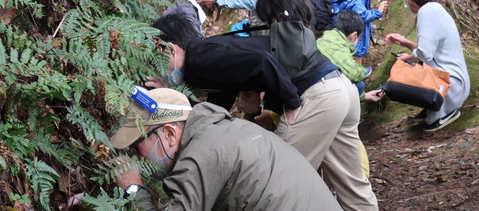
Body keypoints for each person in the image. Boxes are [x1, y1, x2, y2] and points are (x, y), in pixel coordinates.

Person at [255, 0, 378, 211]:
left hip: (322, 96)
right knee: (353, 184)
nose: (267, 25)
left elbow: (283, 76)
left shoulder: (286, 32)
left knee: (278, 179)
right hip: (342, 89)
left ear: (277, 14)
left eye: (267, 18)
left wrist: (284, 106)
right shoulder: (307, 27)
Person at [110, 87, 342, 210]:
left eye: (137, 145)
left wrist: (133, 188)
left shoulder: (200, 157)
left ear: (169, 133)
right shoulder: (224, 129)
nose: (136, 156)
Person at [148, 13, 302, 119]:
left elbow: (262, 60)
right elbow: (215, 110)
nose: (160, 69)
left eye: (157, 57)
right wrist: (169, 97)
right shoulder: (204, 58)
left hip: (308, 87)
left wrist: (293, 105)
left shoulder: (200, 60)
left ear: (170, 49)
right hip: (308, 86)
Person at [385, 0, 470, 132]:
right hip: (456, 82)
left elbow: (425, 54)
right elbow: (432, 50)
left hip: (451, 85)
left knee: (399, 77)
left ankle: (443, 110)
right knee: (409, 64)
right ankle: (432, 107)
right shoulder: (434, 8)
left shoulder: (426, 12)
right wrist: (407, 47)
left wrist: (406, 52)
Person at [317, 10, 384, 102]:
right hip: (322, 93)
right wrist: (362, 71)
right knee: (359, 85)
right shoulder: (338, 46)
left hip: (318, 85)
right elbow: (354, 74)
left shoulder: (327, 37)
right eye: (359, 37)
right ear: (354, 36)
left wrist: (365, 96)